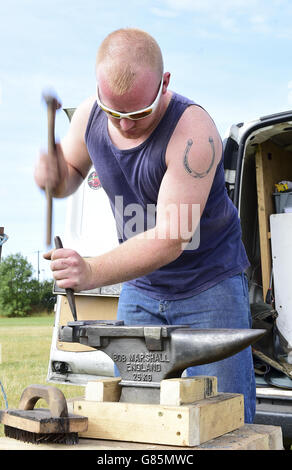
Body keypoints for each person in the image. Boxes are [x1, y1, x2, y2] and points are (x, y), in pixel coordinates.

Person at [34, 28, 255, 423]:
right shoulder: (89, 117)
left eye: (138, 113)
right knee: (138, 417)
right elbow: (68, 171)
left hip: (210, 286)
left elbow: (171, 238)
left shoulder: (194, 134)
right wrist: (54, 175)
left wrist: (91, 270)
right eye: (114, 112)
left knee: (226, 421)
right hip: (142, 290)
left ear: (164, 84)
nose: (125, 124)